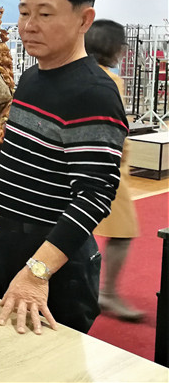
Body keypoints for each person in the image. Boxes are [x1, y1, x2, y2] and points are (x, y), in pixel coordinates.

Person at [0, 0, 129, 335]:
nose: (29, 25)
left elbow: (94, 195)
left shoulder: (93, 93)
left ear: (84, 20)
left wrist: (37, 271)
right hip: (3, 244)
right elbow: (15, 163)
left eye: (44, 14)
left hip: (51, 261)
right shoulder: (32, 78)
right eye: (24, 12)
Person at [86, 19, 144, 322]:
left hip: (86, 166)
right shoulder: (110, 80)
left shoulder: (81, 74)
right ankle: (106, 292)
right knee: (123, 233)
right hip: (107, 170)